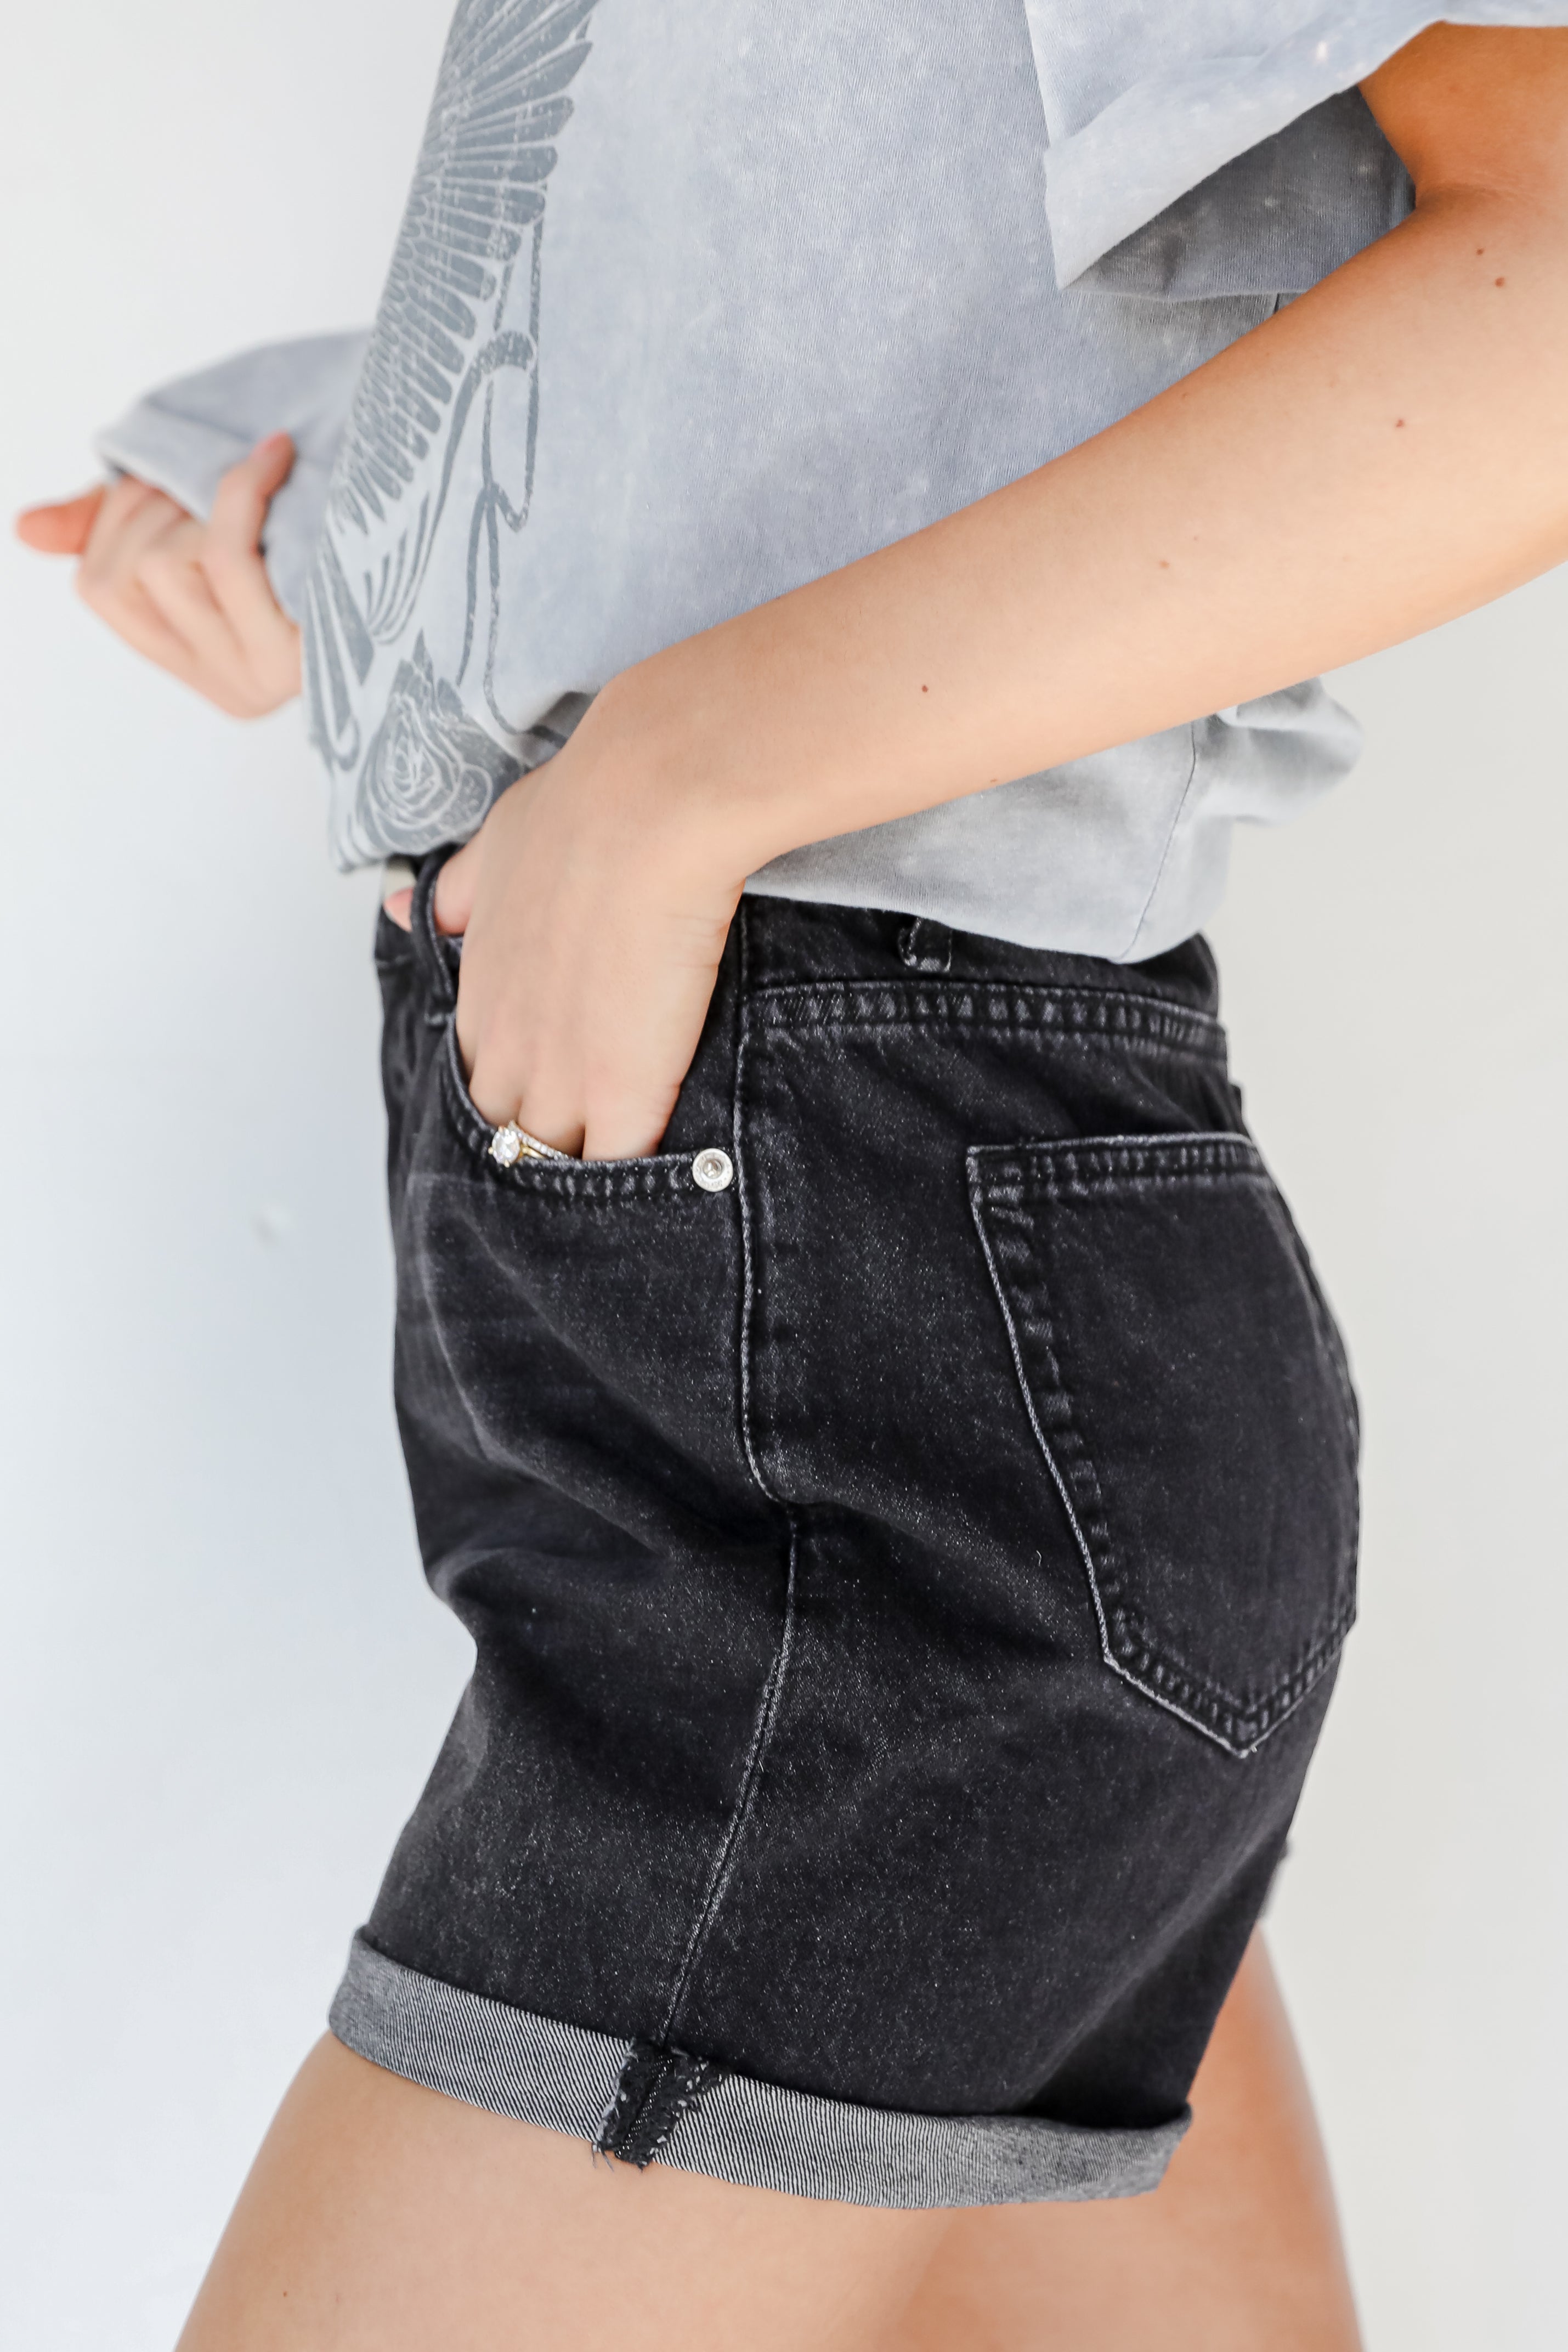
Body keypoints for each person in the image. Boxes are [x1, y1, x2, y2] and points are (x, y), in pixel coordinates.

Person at [18, 7, 1568, 2345]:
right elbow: (862, 328)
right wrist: (349, 535)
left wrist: (686, 773)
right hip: (861, 1289)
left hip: (866, 1327)